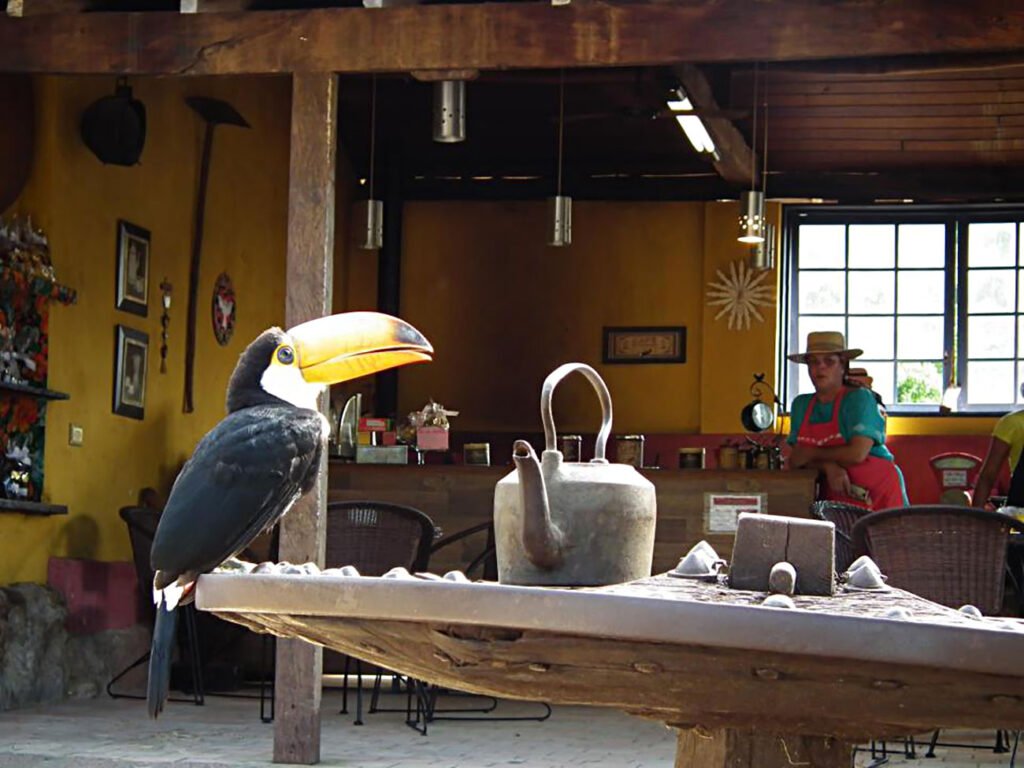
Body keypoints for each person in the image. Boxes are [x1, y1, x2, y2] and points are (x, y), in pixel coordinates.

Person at [786, 331, 908, 510]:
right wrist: (828, 466)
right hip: (832, 496)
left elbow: (857, 454)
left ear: (842, 365)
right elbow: (796, 459)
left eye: (829, 361)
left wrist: (811, 453)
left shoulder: (860, 399)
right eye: (813, 362)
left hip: (877, 493)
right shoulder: (800, 405)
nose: (820, 367)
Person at [972, 393, 1024, 508]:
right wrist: (976, 517)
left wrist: (975, 518)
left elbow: (988, 476)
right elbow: (987, 477)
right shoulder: (1012, 423)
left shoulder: (1012, 423)